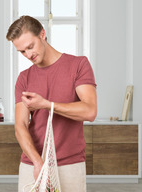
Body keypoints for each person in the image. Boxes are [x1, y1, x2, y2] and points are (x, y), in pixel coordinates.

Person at [6, 15, 97, 192]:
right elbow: (20, 126)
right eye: (22, 51)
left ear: (42, 34)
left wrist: (47, 105)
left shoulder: (78, 65)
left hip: (70, 163)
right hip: (32, 163)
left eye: (30, 47)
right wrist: (37, 162)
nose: (28, 54)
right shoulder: (24, 78)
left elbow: (90, 111)